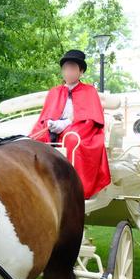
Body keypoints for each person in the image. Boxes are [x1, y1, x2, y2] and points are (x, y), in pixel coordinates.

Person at [29, 49, 111, 198]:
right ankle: (35, 183)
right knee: (32, 139)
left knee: (71, 138)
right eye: (65, 68)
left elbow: (92, 119)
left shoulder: (89, 91)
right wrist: (51, 123)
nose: (68, 72)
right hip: (54, 127)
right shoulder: (55, 92)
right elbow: (46, 114)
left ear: (81, 72)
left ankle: (73, 186)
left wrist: (67, 124)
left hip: (81, 128)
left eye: (73, 68)